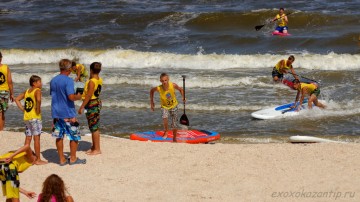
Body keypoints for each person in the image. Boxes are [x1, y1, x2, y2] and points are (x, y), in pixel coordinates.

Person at [50, 59, 86, 166]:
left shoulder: (53, 80)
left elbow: (54, 95)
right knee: (74, 135)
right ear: (69, 69)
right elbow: (70, 97)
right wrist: (79, 96)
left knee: (59, 136)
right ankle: (73, 158)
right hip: (68, 112)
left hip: (56, 112)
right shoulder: (68, 81)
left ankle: (61, 159)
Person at [14, 75, 48, 165]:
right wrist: (38, 109)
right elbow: (38, 100)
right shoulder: (37, 90)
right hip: (35, 118)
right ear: (34, 83)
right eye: (39, 82)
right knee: (37, 139)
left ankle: (27, 156)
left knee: (28, 138)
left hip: (27, 117)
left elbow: (17, 99)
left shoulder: (27, 91)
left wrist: (23, 109)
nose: (41, 83)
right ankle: (38, 159)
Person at [150, 73, 185, 142]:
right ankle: (166, 131)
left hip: (174, 106)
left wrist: (183, 97)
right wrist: (152, 102)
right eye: (162, 81)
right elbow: (151, 91)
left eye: (165, 80)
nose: (164, 82)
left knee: (174, 124)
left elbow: (181, 89)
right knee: (164, 116)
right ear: (160, 81)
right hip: (164, 106)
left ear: (168, 79)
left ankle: (174, 137)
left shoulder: (173, 85)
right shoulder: (159, 88)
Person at [78, 62, 103, 155]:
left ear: (91, 70)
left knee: (94, 127)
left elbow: (89, 95)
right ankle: (94, 147)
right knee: (93, 126)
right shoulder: (98, 79)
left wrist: (82, 106)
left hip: (91, 104)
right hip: (96, 102)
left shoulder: (92, 81)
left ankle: (97, 149)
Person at [0, 51, 15, 131]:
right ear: (1, 58)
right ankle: (1, 131)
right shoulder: (6, 68)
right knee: (1, 113)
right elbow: (10, 82)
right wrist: (12, 94)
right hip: (4, 92)